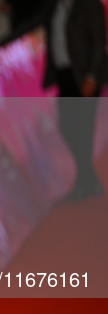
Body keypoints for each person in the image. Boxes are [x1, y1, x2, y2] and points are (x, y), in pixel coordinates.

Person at [42, 0, 107, 201]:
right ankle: (89, 180)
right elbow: (30, 25)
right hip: (65, 76)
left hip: (84, 77)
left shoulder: (90, 5)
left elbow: (99, 42)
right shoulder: (53, 6)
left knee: (82, 129)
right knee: (68, 128)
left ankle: (84, 183)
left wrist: (92, 77)